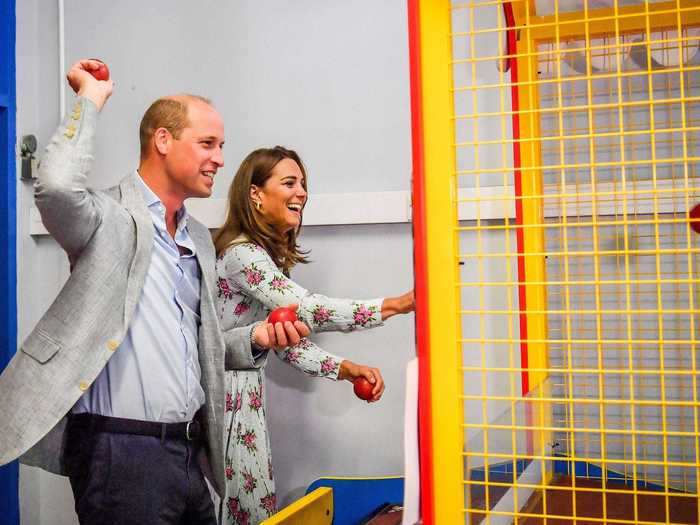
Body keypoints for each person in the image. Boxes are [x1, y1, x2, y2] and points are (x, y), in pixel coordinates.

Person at [0, 60, 308, 525]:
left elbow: (197, 345)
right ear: (162, 140)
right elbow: (57, 185)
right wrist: (90, 98)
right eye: (207, 143)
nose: (221, 159)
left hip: (187, 452)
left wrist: (256, 339)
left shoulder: (198, 238)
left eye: (221, 146)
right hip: (121, 454)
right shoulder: (105, 218)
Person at [212, 146, 415, 524]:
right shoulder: (242, 255)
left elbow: (286, 342)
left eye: (303, 184)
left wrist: (344, 368)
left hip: (243, 400)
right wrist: (395, 305)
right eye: (289, 182)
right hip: (221, 400)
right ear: (255, 193)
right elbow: (307, 309)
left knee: (253, 511)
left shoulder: (265, 258)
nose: (302, 192)